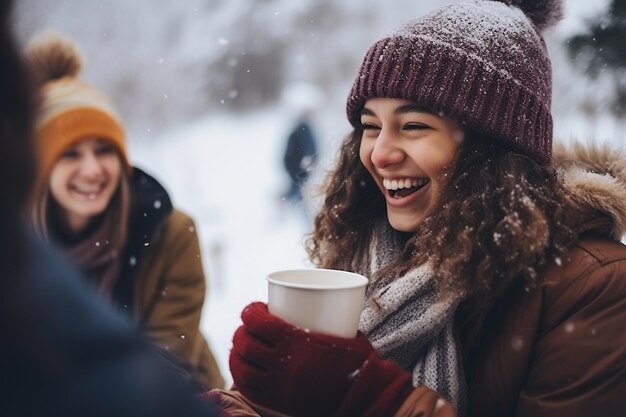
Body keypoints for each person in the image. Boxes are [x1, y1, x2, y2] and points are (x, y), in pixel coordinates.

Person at [223, 0, 626, 416]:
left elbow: (345, 392)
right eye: (370, 126)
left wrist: (368, 398)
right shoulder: (368, 252)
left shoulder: (596, 287)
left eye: (413, 126)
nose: (379, 154)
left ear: (493, 150)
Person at [0, 1, 225, 416]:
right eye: (70, 155)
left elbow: (166, 362)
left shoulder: (169, 232)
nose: (92, 169)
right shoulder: (22, 248)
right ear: (42, 169)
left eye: (105, 150)